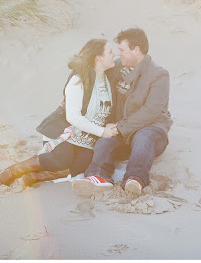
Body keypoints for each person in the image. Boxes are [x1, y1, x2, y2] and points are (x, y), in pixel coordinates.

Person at [0, 39, 119, 188]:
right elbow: (73, 117)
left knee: (81, 165)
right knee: (62, 159)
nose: (115, 54)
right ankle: (15, 170)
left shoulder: (108, 78)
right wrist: (102, 131)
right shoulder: (78, 80)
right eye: (110, 52)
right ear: (98, 57)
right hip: (65, 130)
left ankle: (35, 177)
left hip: (87, 138)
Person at [72, 27, 171, 197]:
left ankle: (135, 179)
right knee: (104, 142)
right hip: (123, 132)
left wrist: (119, 127)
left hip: (151, 131)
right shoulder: (117, 67)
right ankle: (98, 177)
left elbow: (151, 111)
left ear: (136, 50)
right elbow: (86, 70)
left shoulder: (159, 75)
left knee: (143, 137)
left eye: (122, 50)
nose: (119, 54)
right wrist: (67, 95)